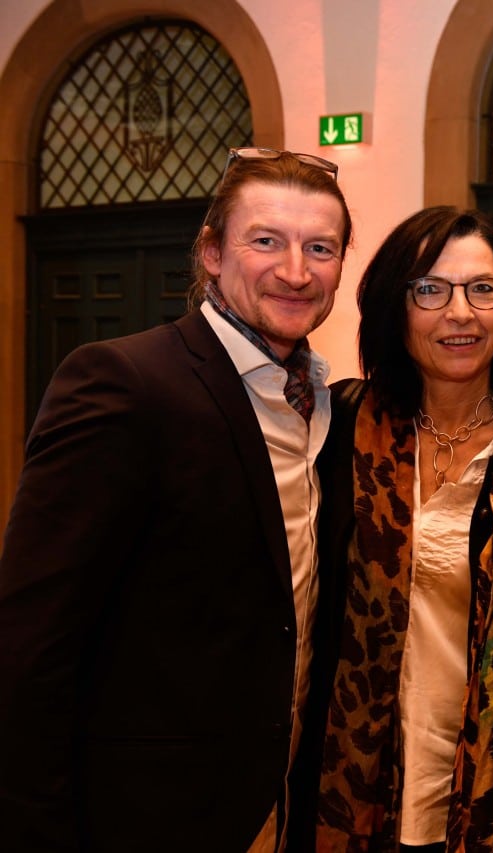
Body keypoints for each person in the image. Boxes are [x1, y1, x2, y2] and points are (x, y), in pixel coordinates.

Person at [0, 146, 354, 851]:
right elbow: (31, 640)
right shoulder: (124, 382)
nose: (295, 271)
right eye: (266, 241)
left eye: (320, 247)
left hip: (281, 804)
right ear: (211, 253)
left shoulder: (327, 406)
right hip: (147, 816)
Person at [311, 206, 493, 853]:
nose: (461, 313)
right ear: (395, 306)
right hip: (354, 785)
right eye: (431, 290)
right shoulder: (340, 430)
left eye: (482, 289)